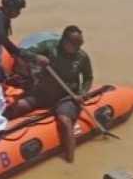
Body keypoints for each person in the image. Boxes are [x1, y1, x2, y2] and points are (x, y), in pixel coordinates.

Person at [5, 26, 93, 162]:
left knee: (64, 121)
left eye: (80, 44)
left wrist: (82, 93)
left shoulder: (82, 57)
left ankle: (70, 159)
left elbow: (88, 77)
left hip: (66, 96)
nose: (78, 47)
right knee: (19, 106)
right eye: (75, 44)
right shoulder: (49, 47)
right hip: (43, 92)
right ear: (64, 41)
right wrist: (36, 57)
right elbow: (24, 52)